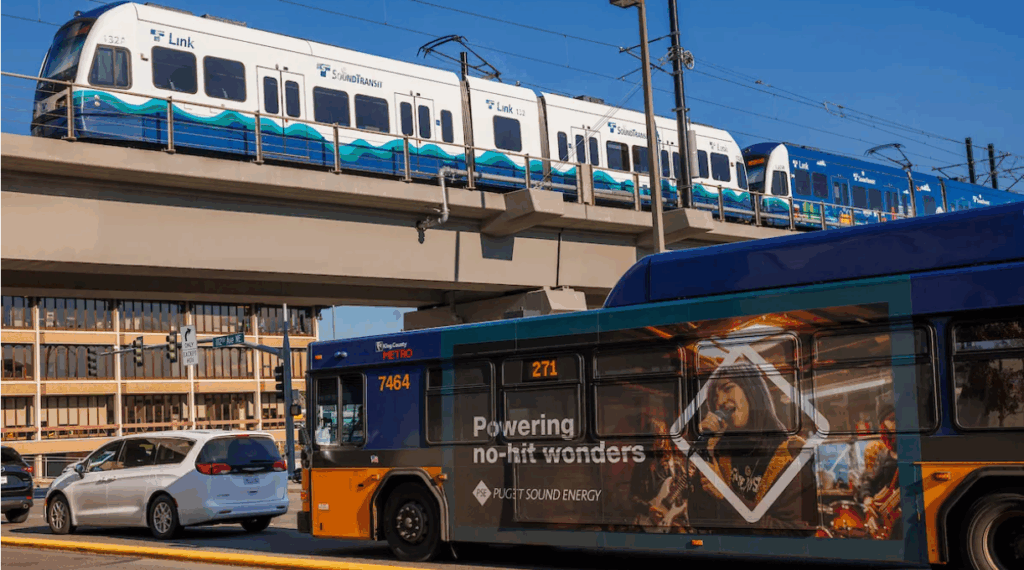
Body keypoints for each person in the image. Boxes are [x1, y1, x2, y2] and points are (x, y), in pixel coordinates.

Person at [690, 360, 817, 531]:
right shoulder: (719, 450)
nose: (719, 401)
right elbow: (699, 519)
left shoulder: (791, 454)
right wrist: (702, 445)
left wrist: (725, 494)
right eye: (714, 397)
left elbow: (793, 532)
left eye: (727, 388)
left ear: (752, 392)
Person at [628, 419, 689, 532]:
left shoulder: (675, 464)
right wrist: (649, 509)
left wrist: (688, 480)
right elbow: (632, 497)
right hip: (648, 521)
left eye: (663, 435)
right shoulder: (642, 466)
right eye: (657, 436)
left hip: (672, 518)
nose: (661, 439)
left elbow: (685, 493)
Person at [856, 394, 901, 539]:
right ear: (884, 425)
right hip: (891, 519)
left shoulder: (915, 450)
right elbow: (868, 481)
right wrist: (867, 498)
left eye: (898, 419)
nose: (896, 424)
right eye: (891, 420)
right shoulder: (883, 454)